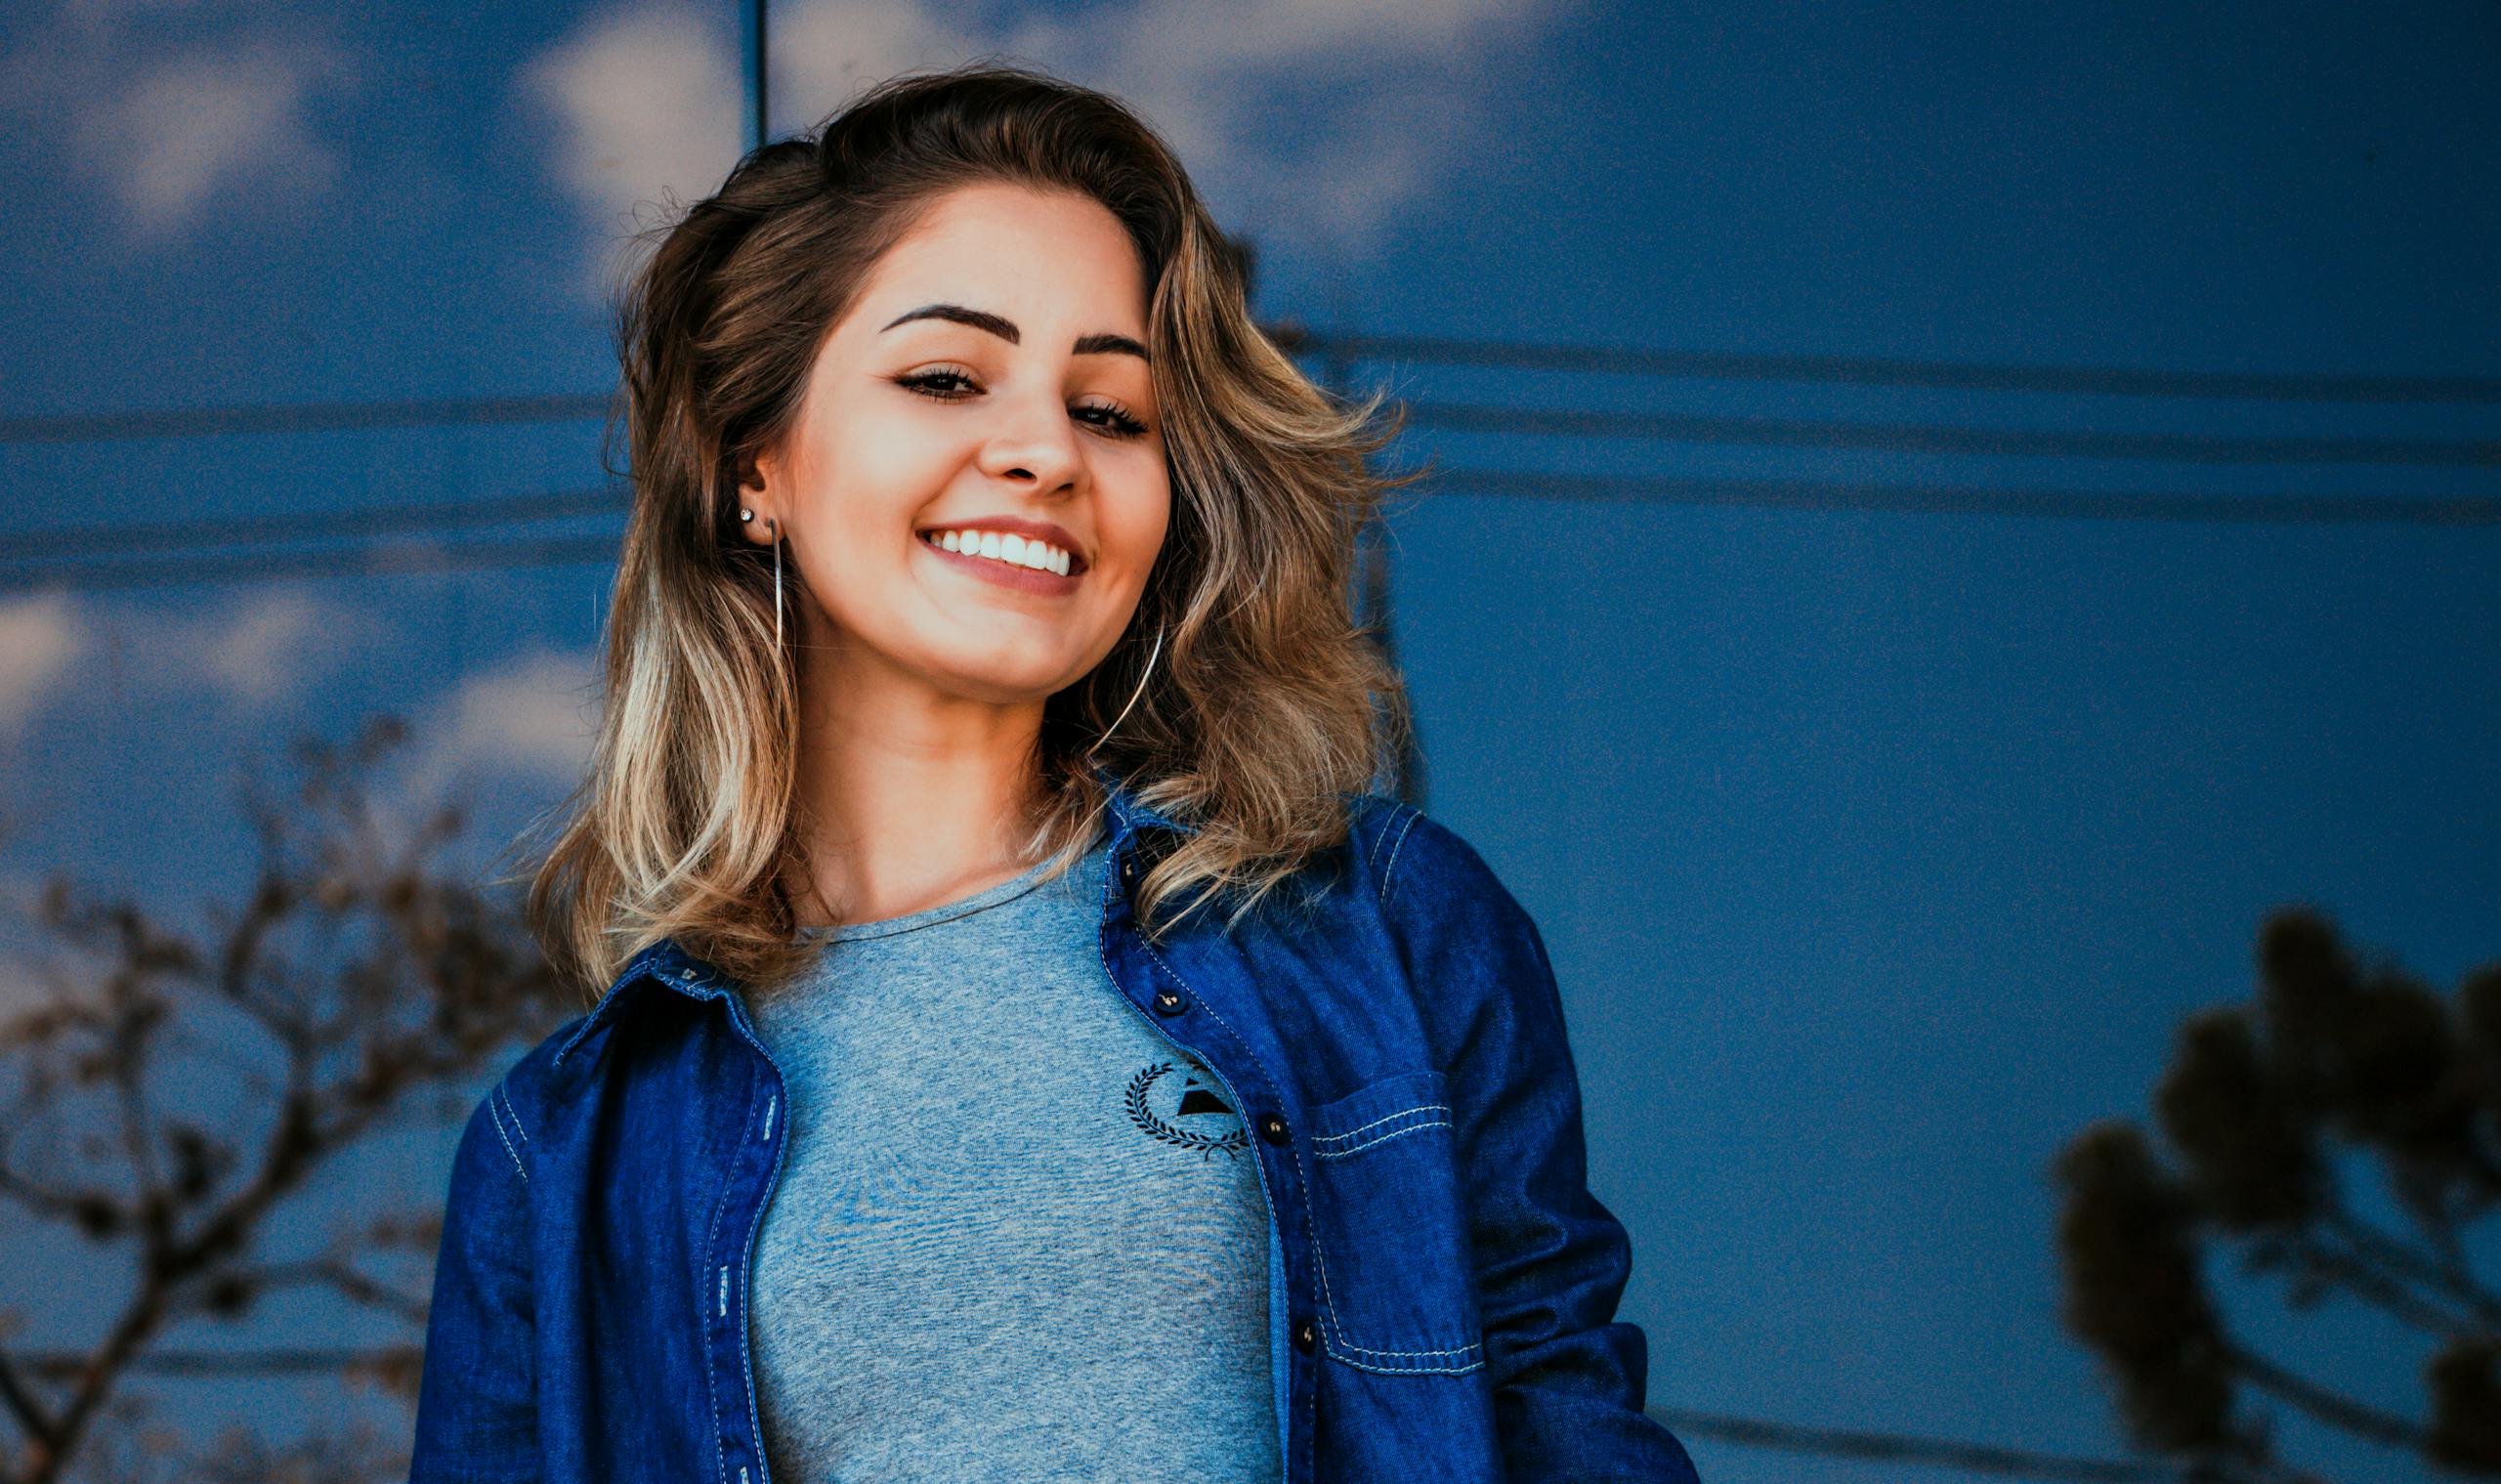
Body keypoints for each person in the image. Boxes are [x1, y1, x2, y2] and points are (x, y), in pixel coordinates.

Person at [409, 61, 1700, 1484]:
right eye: (946, 377)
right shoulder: (563, 1158)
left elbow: (1565, 1422)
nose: (1041, 452)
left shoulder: (1385, 930)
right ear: (750, 466)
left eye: (1111, 410)